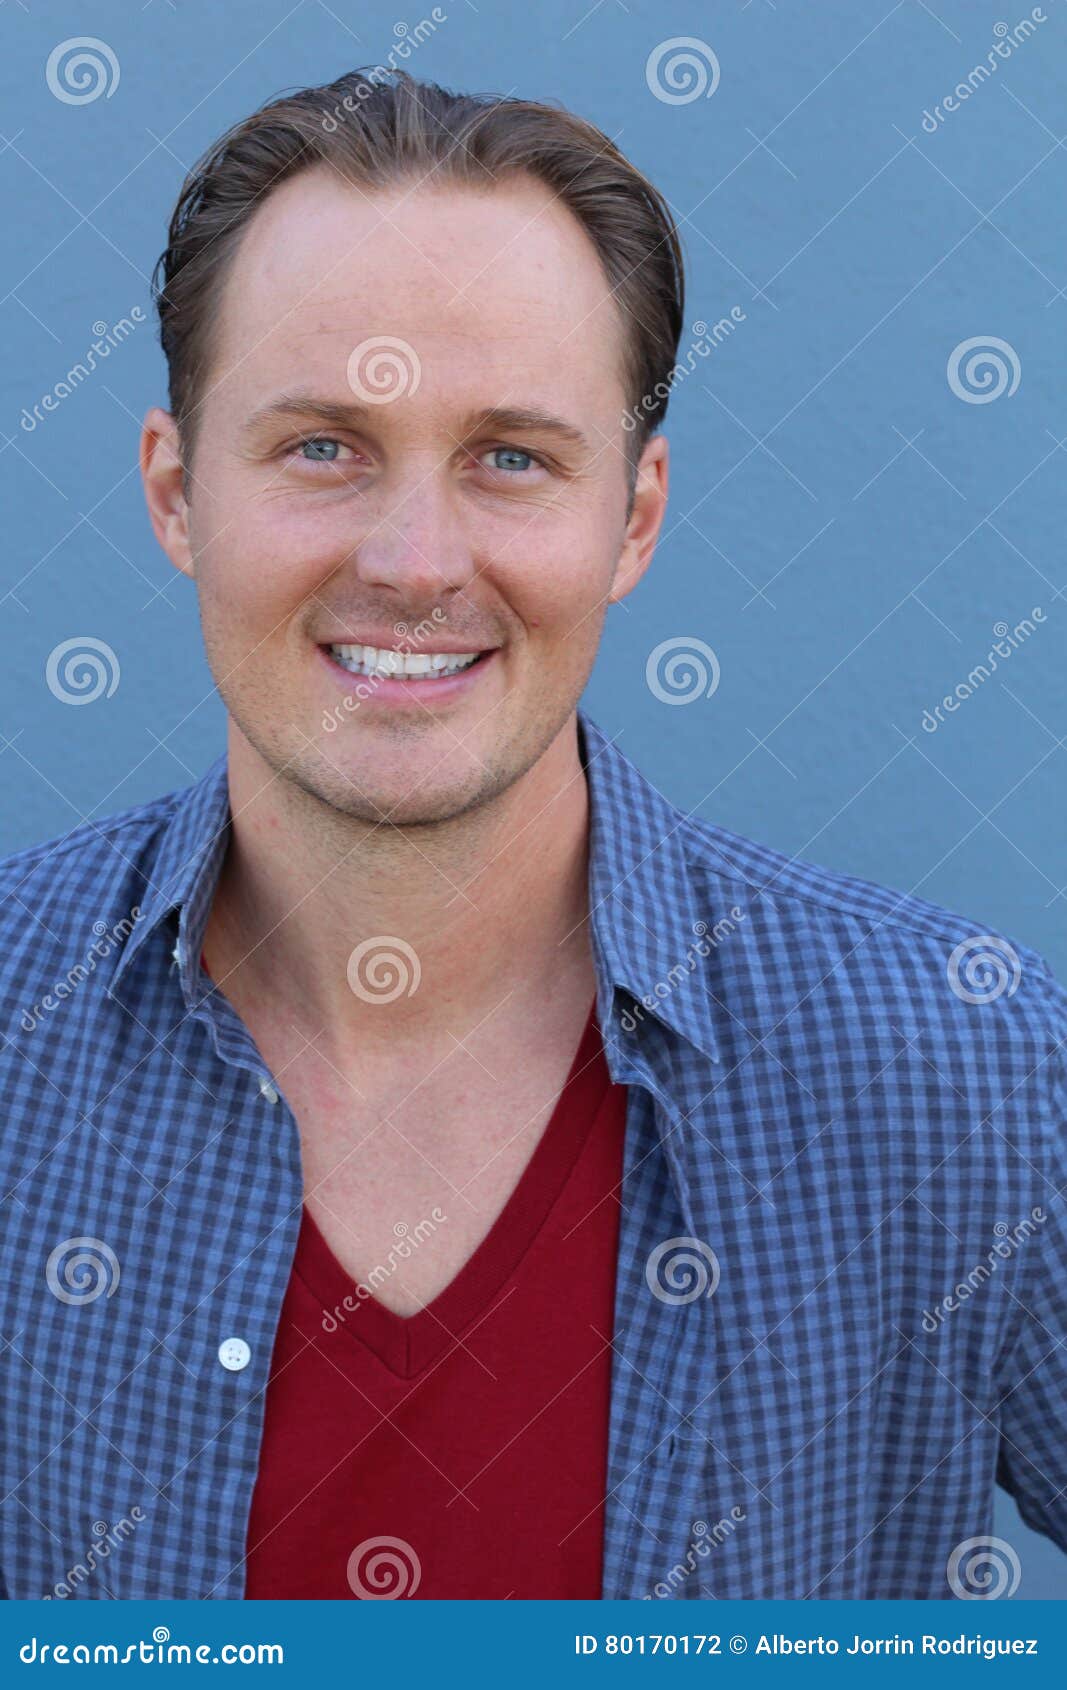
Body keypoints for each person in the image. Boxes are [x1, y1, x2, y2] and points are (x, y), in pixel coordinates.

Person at [0, 68, 1063, 1603]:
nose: (416, 562)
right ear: (176, 493)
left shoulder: (965, 1069)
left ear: (632, 518)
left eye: (511, 455)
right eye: (322, 446)